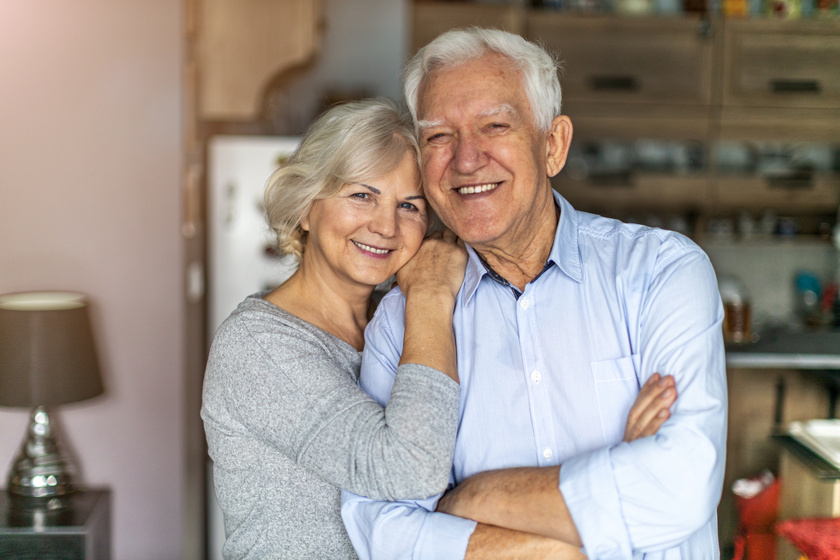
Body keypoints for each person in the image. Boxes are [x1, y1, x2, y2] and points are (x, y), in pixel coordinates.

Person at [341, 28, 728, 559]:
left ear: (553, 145)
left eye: (494, 126)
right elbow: (375, 523)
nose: (466, 159)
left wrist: (465, 499)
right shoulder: (404, 322)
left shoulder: (661, 273)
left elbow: (683, 481)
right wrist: (576, 525)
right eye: (438, 137)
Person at [201, 98, 469, 559]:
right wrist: (429, 294)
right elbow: (409, 471)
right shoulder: (257, 346)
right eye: (362, 195)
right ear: (307, 207)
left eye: (409, 205)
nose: (385, 226)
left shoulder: (398, 324)